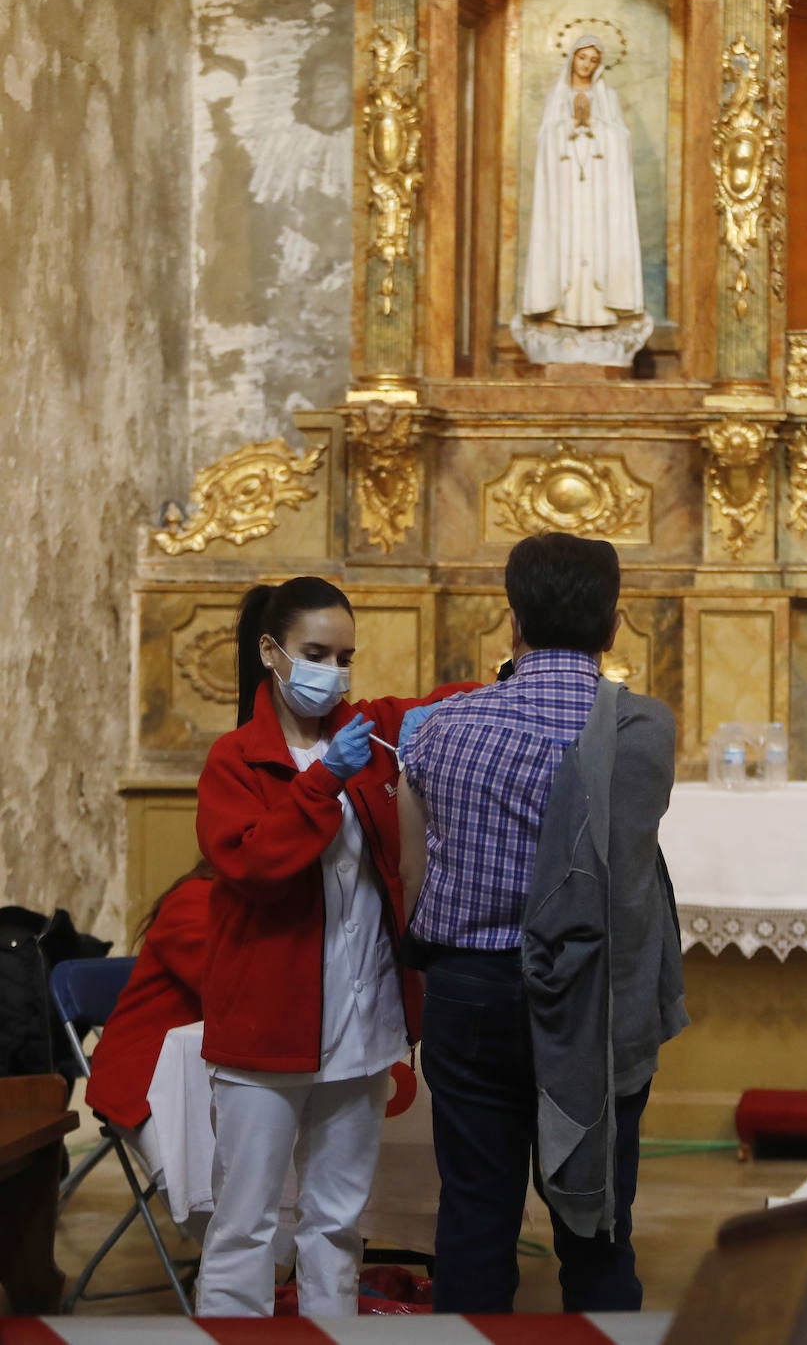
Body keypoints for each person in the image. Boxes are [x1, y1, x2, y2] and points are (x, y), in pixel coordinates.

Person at [398, 532, 688, 1314]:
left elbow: (413, 875)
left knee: (473, 1215)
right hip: (593, 996)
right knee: (596, 1225)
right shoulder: (643, 730)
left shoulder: (439, 728)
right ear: (615, 626)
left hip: (471, 989)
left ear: (512, 621)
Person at [193, 575, 473, 1317]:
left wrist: (518, 674)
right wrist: (324, 783)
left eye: (346, 657)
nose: (335, 674)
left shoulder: (370, 734)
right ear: (271, 652)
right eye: (318, 653)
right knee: (247, 1227)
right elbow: (256, 866)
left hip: (362, 1020)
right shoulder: (237, 760)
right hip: (265, 1032)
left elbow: (450, 702)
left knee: (338, 1223)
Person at [84, 862, 214, 1240]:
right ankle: (240, 1287)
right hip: (142, 1076)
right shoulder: (192, 900)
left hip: (205, 1076)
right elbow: (230, 988)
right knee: (206, 1201)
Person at [521, 35, 644, 327]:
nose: (586, 65)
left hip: (599, 188)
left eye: (593, 60)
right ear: (572, 58)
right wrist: (568, 129)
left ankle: (601, 312)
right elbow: (545, 140)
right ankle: (562, 310)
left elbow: (620, 139)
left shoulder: (607, 97)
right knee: (566, 240)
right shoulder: (558, 96)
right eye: (582, 57)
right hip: (566, 189)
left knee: (596, 239)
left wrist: (595, 128)